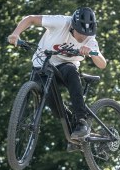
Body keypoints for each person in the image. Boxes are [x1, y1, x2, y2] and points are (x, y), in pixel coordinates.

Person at [7, 7, 107, 139]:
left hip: (65, 68)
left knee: (71, 71)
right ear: (73, 26)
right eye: (80, 33)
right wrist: (16, 34)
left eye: (87, 34)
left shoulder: (90, 39)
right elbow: (31, 19)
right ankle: (73, 130)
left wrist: (92, 53)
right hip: (43, 64)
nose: (83, 37)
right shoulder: (61, 22)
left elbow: (102, 63)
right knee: (54, 105)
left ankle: (82, 121)